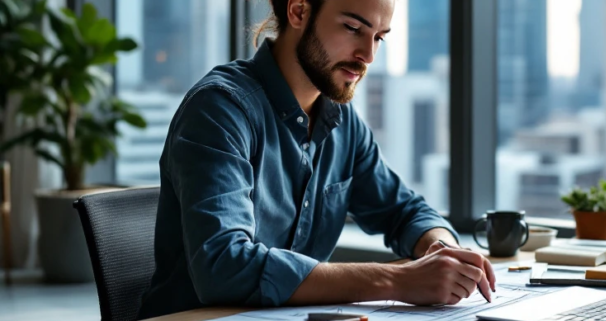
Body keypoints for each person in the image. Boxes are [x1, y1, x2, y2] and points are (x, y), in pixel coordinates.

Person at [137, 0, 496, 318]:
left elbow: (404, 211)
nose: (368, 55)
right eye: (353, 28)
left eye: (379, 37)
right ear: (299, 11)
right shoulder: (219, 109)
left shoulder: (343, 121)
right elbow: (225, 267)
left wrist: (447, 256)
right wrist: (397, 280)